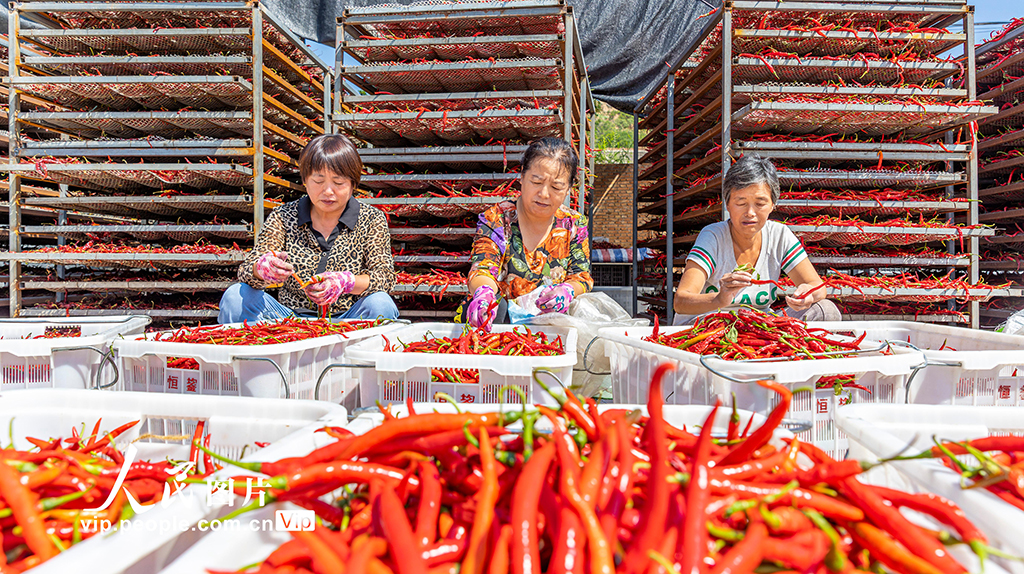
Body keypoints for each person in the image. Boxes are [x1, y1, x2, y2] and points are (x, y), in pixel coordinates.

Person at [219, 134, 398, 323]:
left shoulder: (371, 219)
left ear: (353, 184)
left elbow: (385, 277)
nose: (328, 191)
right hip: (288, 318)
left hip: (349, 317)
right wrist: (262, 269)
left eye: (338, 182)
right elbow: (246, 270)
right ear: (305, 180)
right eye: (318, 181)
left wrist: (346, 282)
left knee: (381, 304)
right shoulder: (284, 216)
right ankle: (249, 353)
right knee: (235, 297)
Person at [672, 153, 840, 324]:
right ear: (727, 204)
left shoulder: (779, 235)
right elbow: (680, 301)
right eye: (741, 203)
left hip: (757, 326)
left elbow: (818, 288)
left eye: (760, 203)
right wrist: (719, 299)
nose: (750, 213)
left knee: (826, 310)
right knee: (727, 329)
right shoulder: (713, 237)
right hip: (709, 324)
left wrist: (808, 293)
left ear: (773, 205)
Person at [461, 137, 593, 330]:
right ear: (522, 177)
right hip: (498, 323)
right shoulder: (497, 219)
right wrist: (484, 292)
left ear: (569, 189)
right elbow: (483, 267)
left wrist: (567, 290)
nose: (544, 194)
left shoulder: (573, 224)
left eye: (556, 187)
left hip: (551, 324)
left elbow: (581, 276)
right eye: (536, 182)